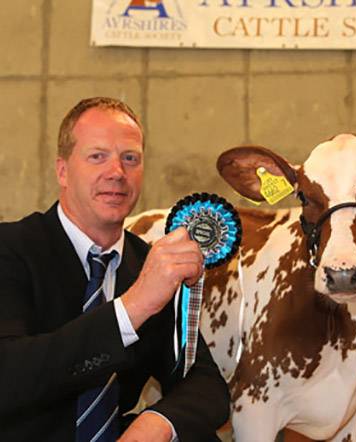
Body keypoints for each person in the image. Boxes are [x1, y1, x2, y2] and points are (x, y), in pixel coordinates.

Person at [0, 97, 230, 441]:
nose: (117, 173)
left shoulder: (148, 264)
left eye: (130, 158)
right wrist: (134, 306)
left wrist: (155, 424)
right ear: (62, 171)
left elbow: (205, 382)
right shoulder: (11, 249)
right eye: (97, 156)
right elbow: (9, 376)